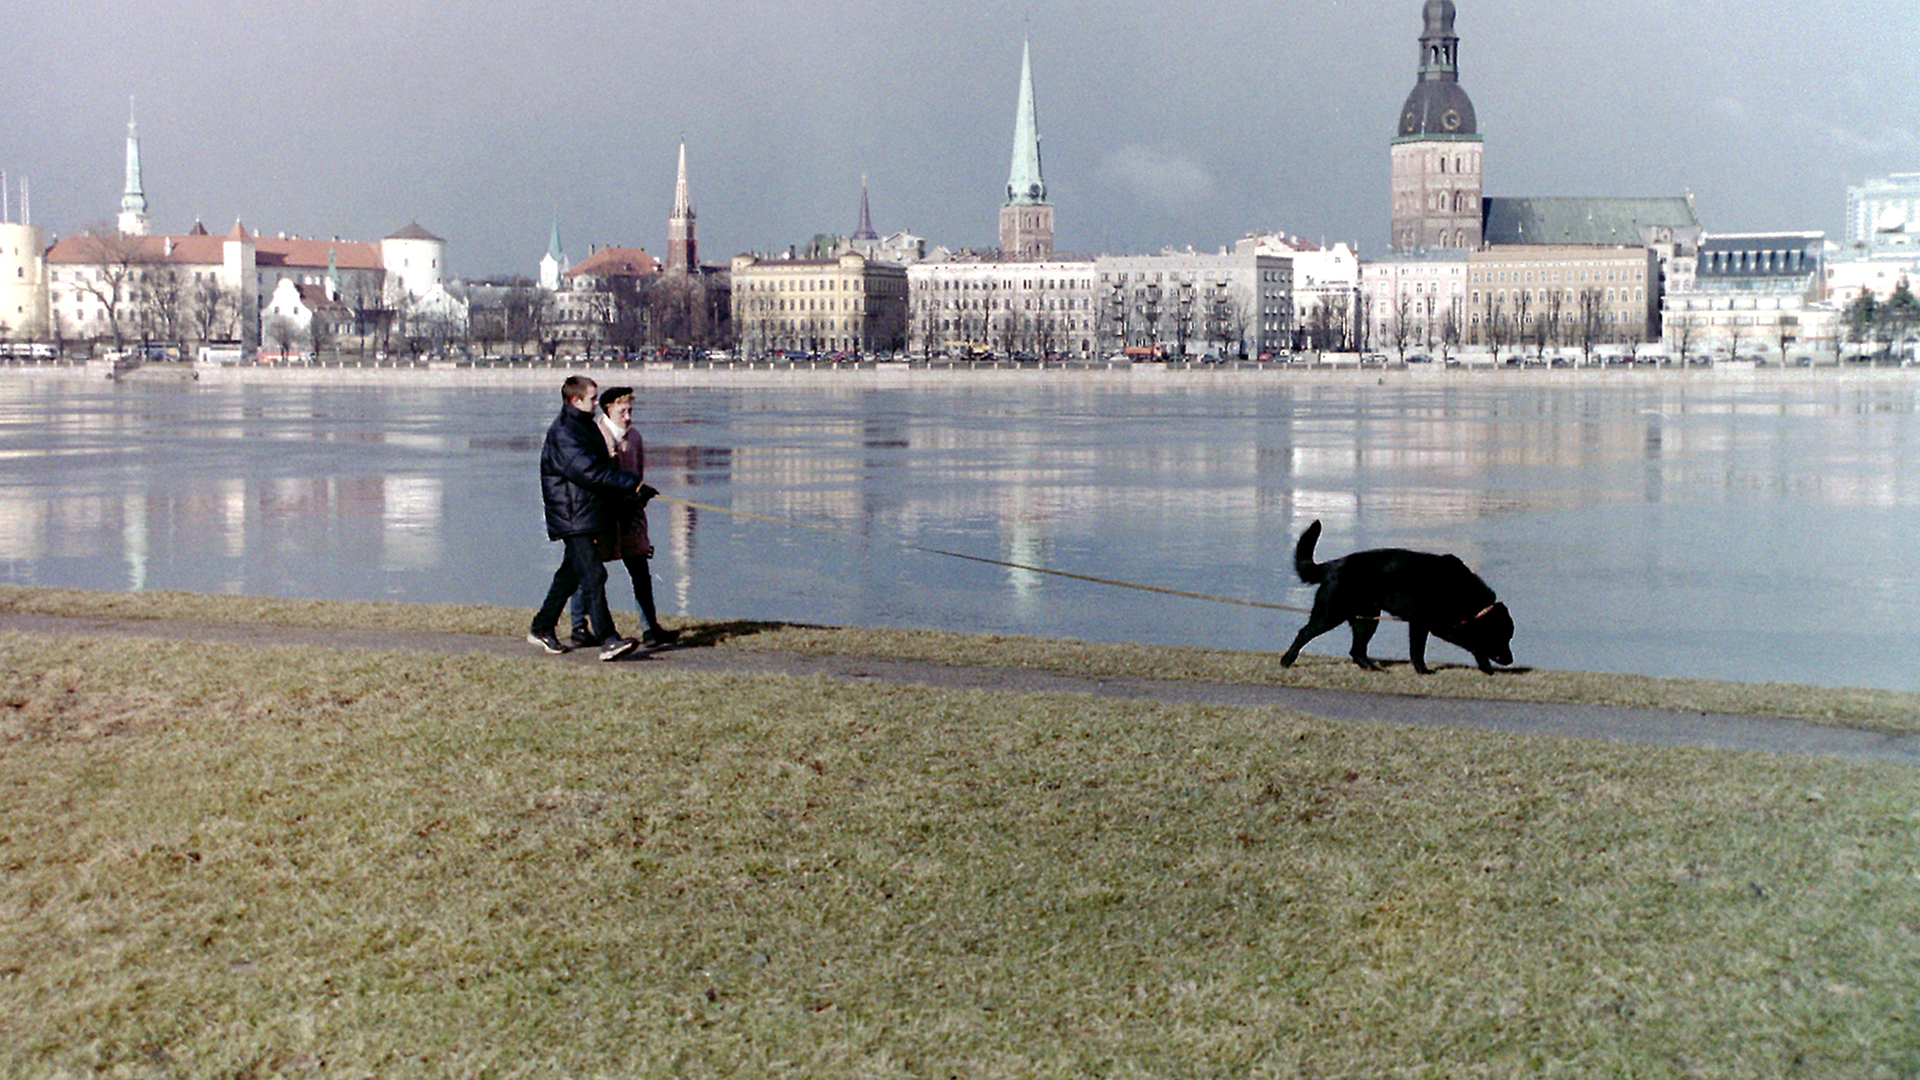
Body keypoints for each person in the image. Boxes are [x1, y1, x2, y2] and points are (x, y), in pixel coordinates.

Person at [527, 375, 647, 661]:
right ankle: (608, 639)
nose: (597, 402)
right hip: (572, 515)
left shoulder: (585, 427)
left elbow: (603, 469)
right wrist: (631, 483)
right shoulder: (564, 432)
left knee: (569, 575)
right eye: (593, 398)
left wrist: (632, 492)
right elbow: (588, 471)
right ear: (575, 400)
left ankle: (542, 626)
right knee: (594, 574)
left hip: (586, 512)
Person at [569, 385, 679, 647]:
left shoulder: (636, 438)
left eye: (631, 411)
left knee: (640, 570)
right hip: (600, 515)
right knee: (589, 571)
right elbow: (591, 479)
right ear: (609, 409)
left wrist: (639, 497)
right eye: (623, 411)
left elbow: (637, 475)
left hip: (629, 515)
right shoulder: (594, 437)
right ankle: (579, 626)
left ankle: (650, 629)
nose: (628, 416)